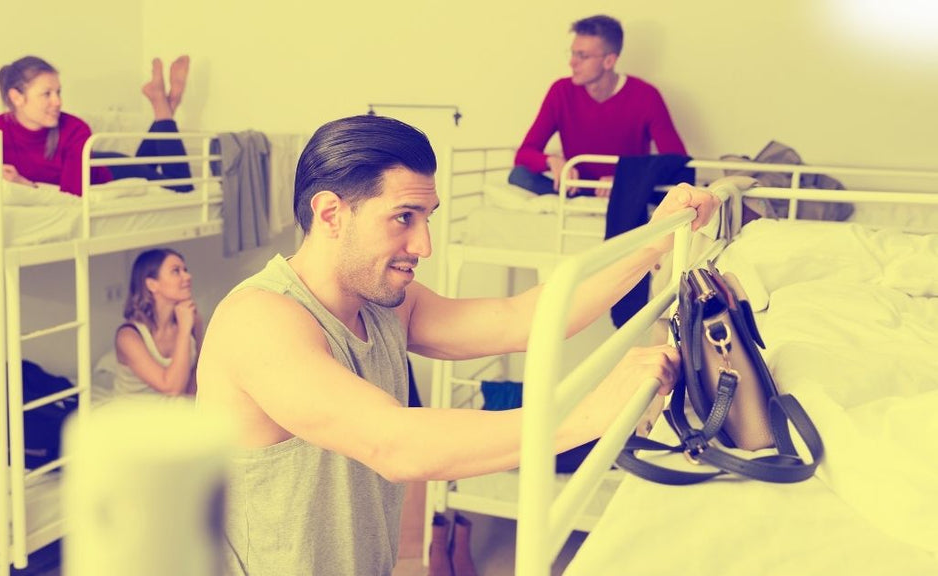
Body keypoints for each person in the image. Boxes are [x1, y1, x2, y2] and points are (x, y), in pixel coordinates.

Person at [195, 115, 719, 575]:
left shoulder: (384, 303)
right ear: (331, 214)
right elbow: (395, 444)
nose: (423, 245)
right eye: (404, 217)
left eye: (427, 218)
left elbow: (524, 317)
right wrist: (584, 417)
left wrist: (654, 241)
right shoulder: (259, 320)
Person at [510, 15, 687, 197]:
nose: (572, 62)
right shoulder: (560, 91)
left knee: (674, 188)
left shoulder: (646, 96)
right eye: (572, 53)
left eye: (582, 56)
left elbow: (676, 161)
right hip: (575, 190)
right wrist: (551, 161)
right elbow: (524, 154)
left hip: (623, 193)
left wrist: (624, 179)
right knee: (519, 176)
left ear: (609, 61)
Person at [0, 55, 193, 196]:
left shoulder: (75, 128)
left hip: (111, 169)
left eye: (58, 92)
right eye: (46, 94)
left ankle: (161, 106)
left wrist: (22, 184)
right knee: (150, 164)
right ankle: (167, 105)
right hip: (91, 160)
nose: (57, 101)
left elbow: (72, 196)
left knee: (183, 189)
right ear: (17, 97)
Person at [113, 248, 202, 398]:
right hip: (134, 416)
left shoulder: (193, 318)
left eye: (185, 270)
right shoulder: (127, 336)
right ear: (152, 285)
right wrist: (184, 329)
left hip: (175, 413)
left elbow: (197, 374)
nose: (187, 276)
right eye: (176, 271)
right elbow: (171, 388)